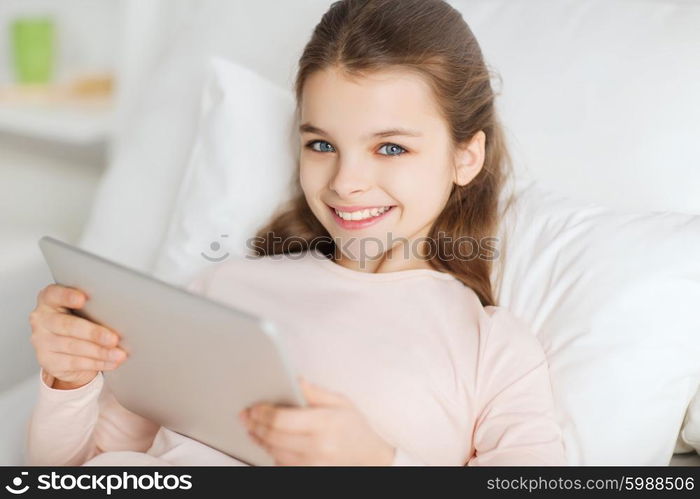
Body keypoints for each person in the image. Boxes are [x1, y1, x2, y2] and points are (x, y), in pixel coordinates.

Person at [25, 0, 567, 466]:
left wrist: (377, 464)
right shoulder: (220, 291)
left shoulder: (491, 348)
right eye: (322, 145)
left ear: (466, 156)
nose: (346, 183)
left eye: (391, 147)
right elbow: (83, 467)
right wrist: (69, 381)